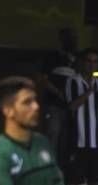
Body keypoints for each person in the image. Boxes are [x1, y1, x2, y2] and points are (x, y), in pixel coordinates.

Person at [67, 48, 98, 185]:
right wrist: (89, 92)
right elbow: (72, 106)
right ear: (82, 62)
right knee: (75, 182)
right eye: (89, 61)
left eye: (95, 62)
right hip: (79, 139)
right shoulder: (73, 81)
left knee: (96, 182)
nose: (92, 65)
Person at [39, 27, 78, 168]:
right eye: (69, 37)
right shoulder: (52, 57)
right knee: (52, 135)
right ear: (61, 39)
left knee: (66, 140)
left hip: (70, 107)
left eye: (74, 37)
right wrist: (58, 92)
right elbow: (43, 78)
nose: (72, 40)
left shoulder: (76, 59)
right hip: (53, 104)